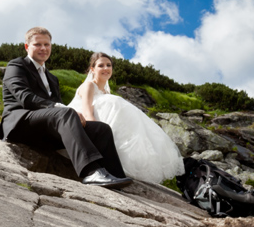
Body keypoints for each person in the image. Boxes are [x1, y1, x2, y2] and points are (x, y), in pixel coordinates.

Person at [0, 27, 132, 189]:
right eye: (37, 44)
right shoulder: (17, 65)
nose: (43, 48)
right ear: (27, 47)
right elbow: (25, 97)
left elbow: (56, 111)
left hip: (45, 131)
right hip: (21, 124)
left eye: (47, 44)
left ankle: (116, 176)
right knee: (66, 113)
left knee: (100, 129)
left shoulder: (52, 78)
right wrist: (64, 110)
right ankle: (91, 173)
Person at [68, 52, 184, 184]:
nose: (106, 68)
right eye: (101, 65)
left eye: (108, 65)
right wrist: (97, 132)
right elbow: (87, 111)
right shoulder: (89, 85)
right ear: (92, 69)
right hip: (83, 124)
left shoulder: (106, 91)